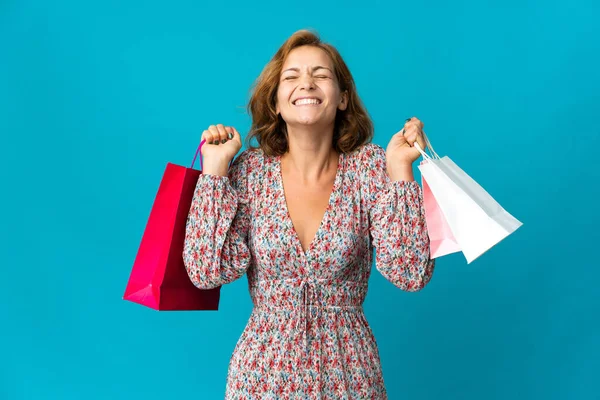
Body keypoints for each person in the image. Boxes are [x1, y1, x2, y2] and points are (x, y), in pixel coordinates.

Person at [182, 29, 435, 399]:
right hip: (261, 377)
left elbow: (411, 274)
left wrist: (400, 172)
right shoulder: (250, 173)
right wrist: (215, 172)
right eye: (292, 76)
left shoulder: (369, 169)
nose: (307, 83)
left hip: (349, 377)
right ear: (275, 102)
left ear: (343, 97)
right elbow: (206, 272)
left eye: (321, 74)